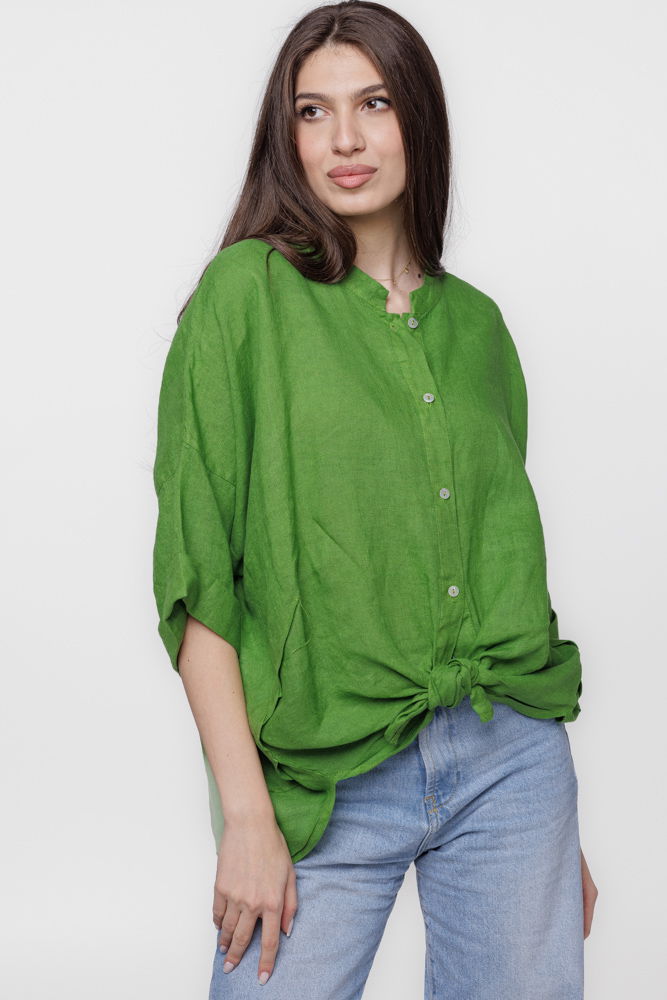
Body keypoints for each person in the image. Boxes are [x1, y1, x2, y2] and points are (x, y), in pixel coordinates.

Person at [151, 2, 598, 996]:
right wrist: (246, 817)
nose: (344, 139)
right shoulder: (243, 297)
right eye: (312, 112)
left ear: (418, 120)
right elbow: (198, 581)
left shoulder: (478, 327)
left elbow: (497, 562)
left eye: (375, 103)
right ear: (287, 137)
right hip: (321, 779)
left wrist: (549, 837)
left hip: (511, 769)